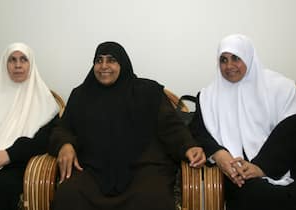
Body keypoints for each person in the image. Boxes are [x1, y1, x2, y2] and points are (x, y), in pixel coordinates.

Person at [48, 41, 206, 210]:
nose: (104, 66)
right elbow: (62, 128)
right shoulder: (81, 95)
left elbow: (171, 126)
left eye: (111, 60)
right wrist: (65, 144)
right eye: (99, 60)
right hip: (92, 169)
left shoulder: (148, 92)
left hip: (142, 167)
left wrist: (188, 146)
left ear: (123, 64)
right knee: (68, 195)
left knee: (153, 198)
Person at [189, 34, 296, 210]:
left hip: (281, 165)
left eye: (236, 58)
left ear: (249, 57)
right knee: (252, 193)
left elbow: (292, 130)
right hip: (237, 174)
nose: (229, 66)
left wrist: (261, 167)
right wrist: (219, 155)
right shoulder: (207, 97)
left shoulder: (282, 88)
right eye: (223, 60)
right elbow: (198, 132)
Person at [0, 43, 60, 210]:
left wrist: (8, 154)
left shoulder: (44, 101)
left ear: (31, 64)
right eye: (12, 60)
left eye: (23, 59)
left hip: (15, 165)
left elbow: (45, 140)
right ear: (5, 64)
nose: (18, 65)